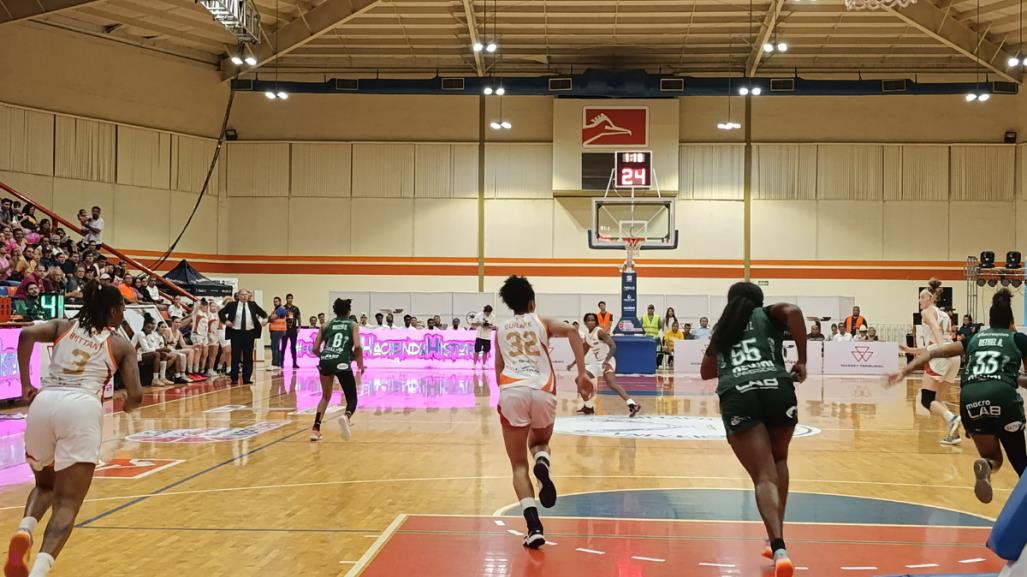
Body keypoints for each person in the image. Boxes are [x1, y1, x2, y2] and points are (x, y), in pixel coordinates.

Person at [5, 280, 142, 577]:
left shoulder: (62, 325)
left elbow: (26, 333)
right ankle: (39, 571)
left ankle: (24, 531)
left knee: (44, 485)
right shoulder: (120, 344)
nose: (122, 315)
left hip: (44, 402)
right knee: (67, 503)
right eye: (121, 309)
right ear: (113, 311)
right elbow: (136, 396)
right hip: (81, 406)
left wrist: (27, 383)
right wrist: (128, 407)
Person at [700, 282, 807, 577]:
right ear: (760, 300)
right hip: (778, 387)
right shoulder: (768, 315)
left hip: (739, 393)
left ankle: (778, 546)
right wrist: (802, 359)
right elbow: (795, 312)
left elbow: (705, 371)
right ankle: (777, 543)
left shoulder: (723, 329)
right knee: (780, 461)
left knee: (763, 475)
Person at [891, 289, 1026, 504]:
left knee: (993, 458)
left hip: (970, 399)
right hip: (1003, 397)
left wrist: (905, 371)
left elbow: (935, 352)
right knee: (1022, 466)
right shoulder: (1018, 338)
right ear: (1012, 321)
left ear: (989, 321)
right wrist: (1014, 379)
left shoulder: (973, 339)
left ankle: (986, 467)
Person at [494, 275, 590, 548]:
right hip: (543, 390)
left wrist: (507, 395)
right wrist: (581, 374)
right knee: (540, 442)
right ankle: (543, 462)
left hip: (513, 390)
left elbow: (498, 369)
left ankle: (534, 526)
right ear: (532, 302)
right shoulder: (542, 321)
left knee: (518, 465)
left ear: (509, 304)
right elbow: (573, 331)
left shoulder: (500, 330)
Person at [903, 278, 963, 445]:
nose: (920, 300)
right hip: (954, 355)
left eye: (922, 297)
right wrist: (910, 351)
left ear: (931, 298)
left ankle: (953, 418)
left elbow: (936, 332)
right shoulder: (945, 314)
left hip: (942, 355)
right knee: (939, 400)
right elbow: (933, 344)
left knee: (926, 400)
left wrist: (941, 349)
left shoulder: (927, 312)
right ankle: (954, 433)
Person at [310, 299, 365, 442]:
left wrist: (326, 357)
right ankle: (346, 417)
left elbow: (315, 349)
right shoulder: (353, 325)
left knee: (325, 397)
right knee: (352, 398)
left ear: (334, 311)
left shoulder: (326, 325)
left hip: (326, 361)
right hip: (341, 362)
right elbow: (358, 346)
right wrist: (359, 363)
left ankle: (315, 430)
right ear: (349, 311)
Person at [569, 313, 640, 417]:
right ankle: (588, 406)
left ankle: (632, 404)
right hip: (597, 363)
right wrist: (573, 362)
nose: (590, 322)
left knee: (611, 384)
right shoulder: (587, 336)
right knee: (578, 380)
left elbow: (613, 346)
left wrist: (606, 360)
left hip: (608, 361)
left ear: (596, 322)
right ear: (585, 322)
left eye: (592, 320)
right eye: (588, 320)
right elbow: (582, 352)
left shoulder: (600, 332)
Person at [218, 290, 268, 385]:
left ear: (248, 296)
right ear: (238, 296)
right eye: (242, 295)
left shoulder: (253, 304)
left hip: (249, 333)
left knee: (248, 356)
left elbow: (263, 313)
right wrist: (226, 321)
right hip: (236, 333)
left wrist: (265, 319)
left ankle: (247, 378)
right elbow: (221, 313)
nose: (245, 296)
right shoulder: (232, 305)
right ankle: (234, 378)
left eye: (246, 294)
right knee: (235, 356)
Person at [282, 294, 301, 369]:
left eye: (291, 298)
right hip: (285, 329)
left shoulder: (295, 308)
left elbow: (299, 318)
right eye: (288, 298)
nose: (290, 299)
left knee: (293, 347)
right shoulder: (283, 308)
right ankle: (281, 363)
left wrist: (299, 326)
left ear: (292, 299)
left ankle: (295, 363)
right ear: (286, 299)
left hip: (293, 329)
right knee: (283, 346)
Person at [268, 297, 286, 372]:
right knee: (276, 347)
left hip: (277, 330)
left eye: (277, 301)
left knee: (274, 347)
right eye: (274, 301)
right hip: (275, 330)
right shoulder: (276, 309)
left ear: (280, 301)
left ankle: (274, 364)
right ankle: (278, 364)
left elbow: (272, 318)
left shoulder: (281, 309)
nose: (275, 303)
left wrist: (269, 318)